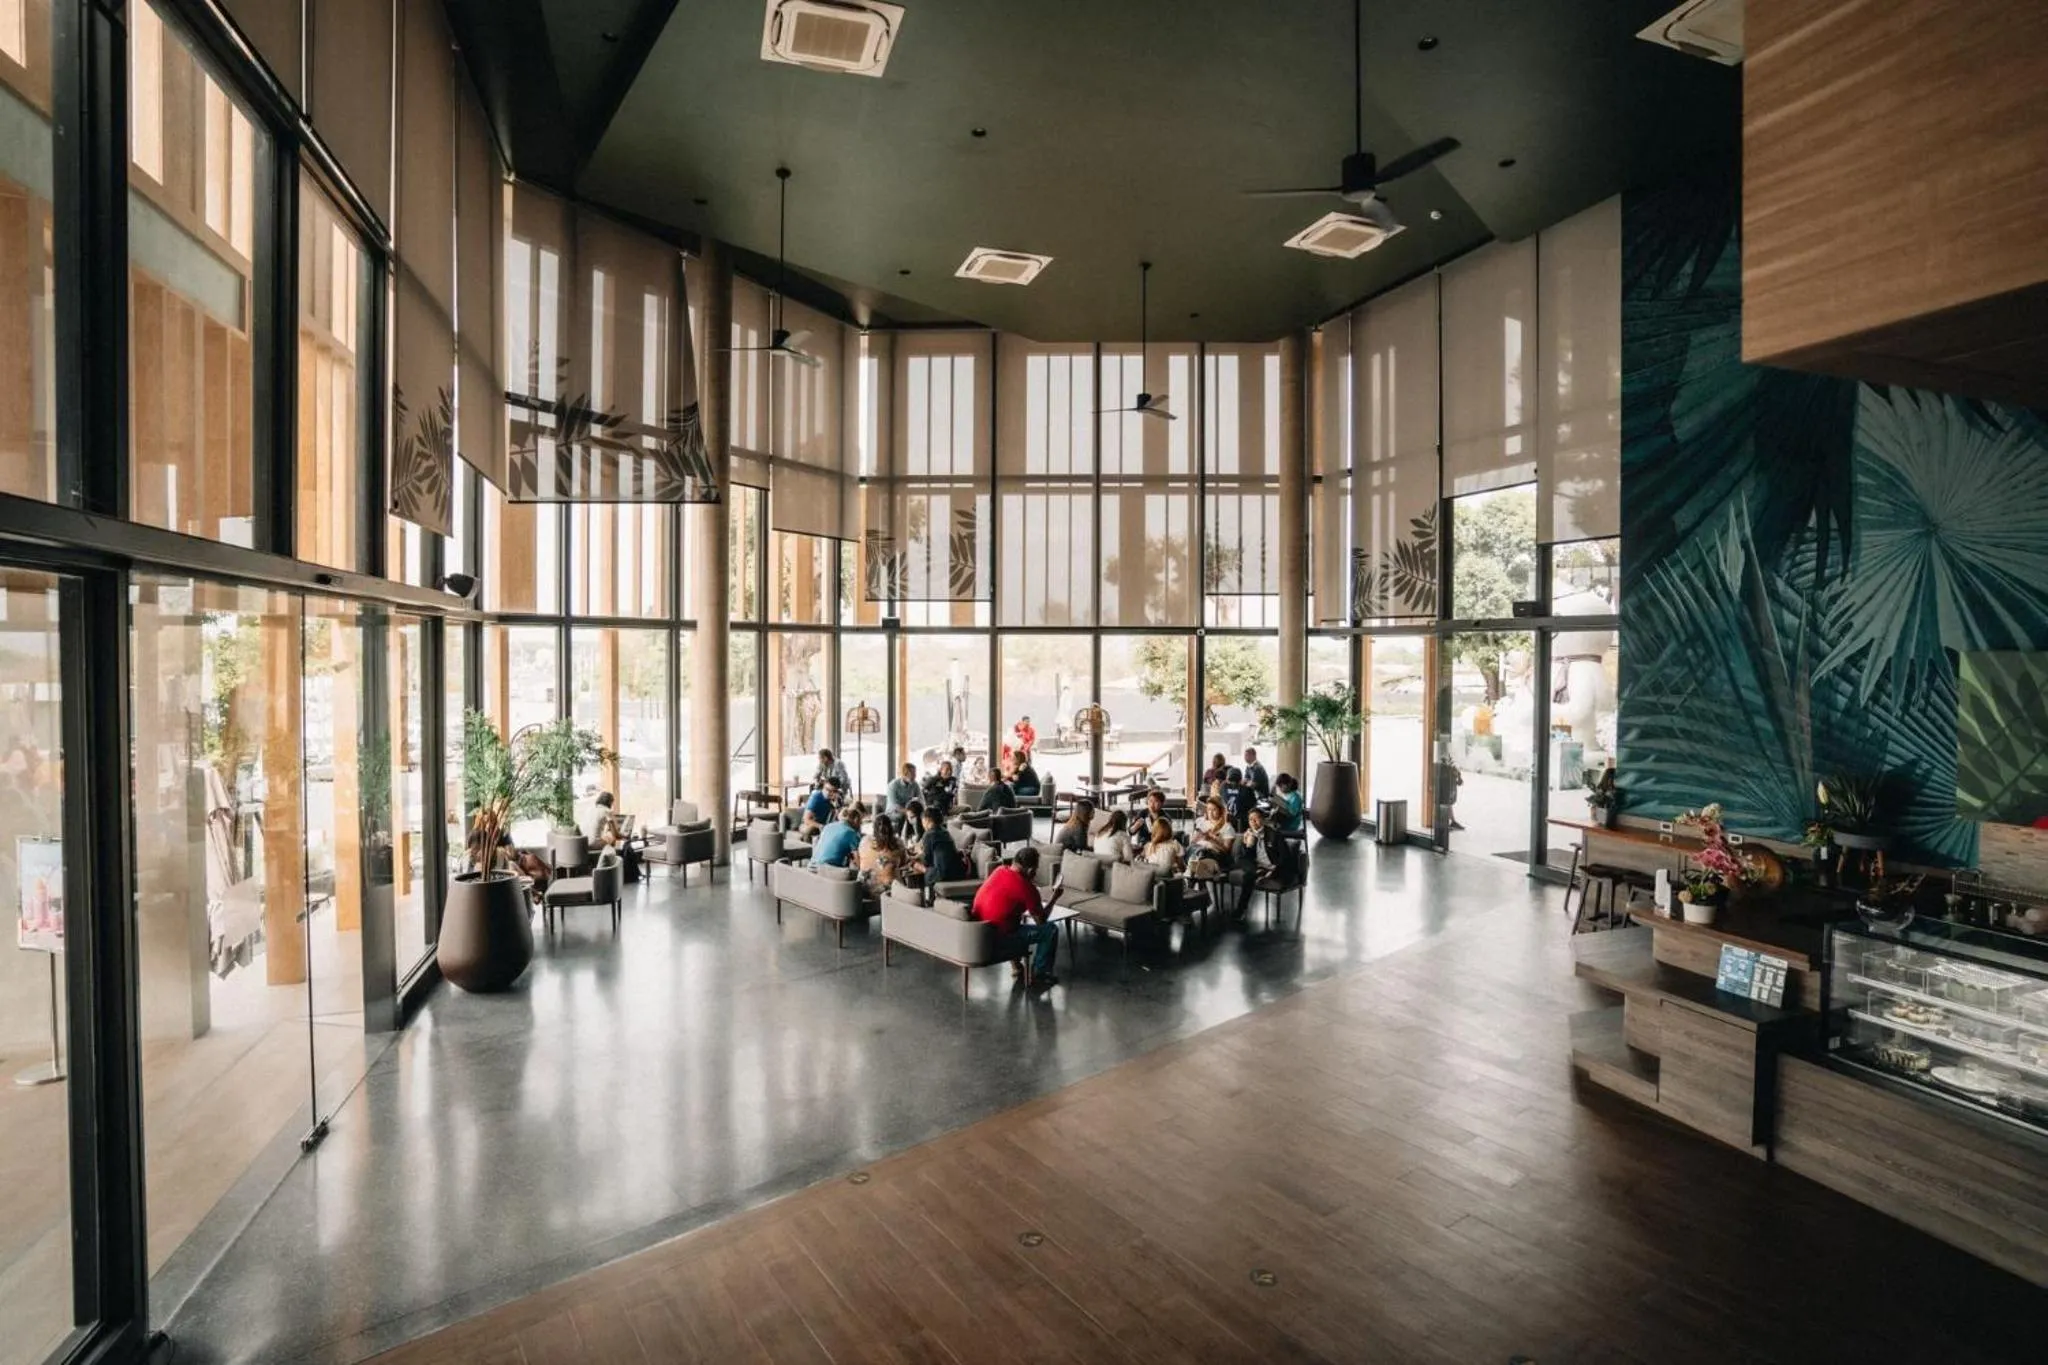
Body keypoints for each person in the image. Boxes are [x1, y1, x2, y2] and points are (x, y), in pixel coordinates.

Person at [971, 845, 1062, 990]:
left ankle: (1017, 966)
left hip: (980, 932)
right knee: (1050, 930)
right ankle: (1040, 973)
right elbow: (1041, 921)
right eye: (1036, 870)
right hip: (999, 939)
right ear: (1031, 870)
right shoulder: (1027, 888)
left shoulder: (999, 870)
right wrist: (1054, 898)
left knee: (1012, 920)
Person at [1231, 806, 1298, 916]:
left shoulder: (1274, 834)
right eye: (1250, 819)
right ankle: (1241, 910)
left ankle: (1262, 873)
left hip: (1274, 866)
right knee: (1245, 870)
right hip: (1258, 865)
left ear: (1263, 819)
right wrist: (1247, 844)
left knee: (1252, 873)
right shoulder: (1249, 834)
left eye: (1256, 818)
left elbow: (1284, 857)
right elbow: (1247, 857)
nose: (1253, 822)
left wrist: (1274, 869)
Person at [917, 807, 970, 886]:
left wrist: (919, 852)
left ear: (927, 820)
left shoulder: (928, 834)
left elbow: (926, 861)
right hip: (957, 871)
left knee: (918, 867)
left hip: (943, 875)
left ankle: (925, 892)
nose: (923, 825)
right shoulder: (945, 831)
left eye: (923, 822)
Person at [858, 812, 905, 890]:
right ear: (890, 829)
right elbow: (903, 862)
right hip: (886, 891)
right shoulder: (898, 844)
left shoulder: (864, 841)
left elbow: (860, 858)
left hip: (863, 888)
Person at [810, 803, 864, 868]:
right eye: (860, 822)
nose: (860, 825)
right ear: (856, 820)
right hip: (826, 869)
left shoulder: (828, 826)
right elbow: (858, 860)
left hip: (812, 865)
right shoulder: (851, 833)